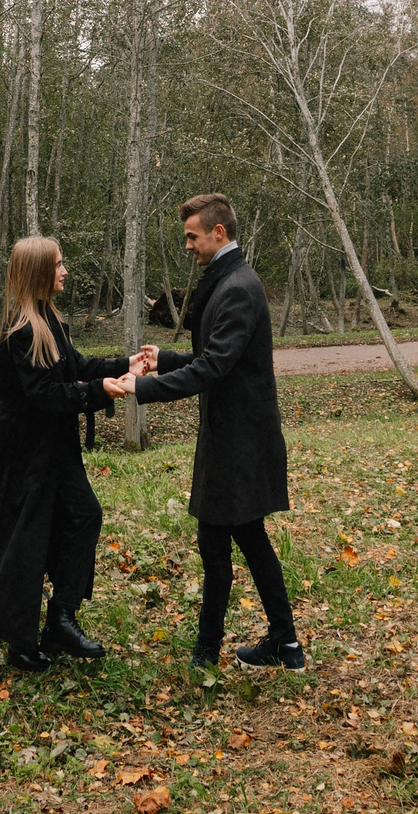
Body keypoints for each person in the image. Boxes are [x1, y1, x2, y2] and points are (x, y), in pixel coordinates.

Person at [129, 193, 304, 669]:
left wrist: (142, 388)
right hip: (231, 438)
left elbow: (212, 368)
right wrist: (165, 360)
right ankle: (285, 644)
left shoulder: (238, 287)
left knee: (217, 543)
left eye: (192, 236)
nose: (187, 245)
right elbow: (216, 357)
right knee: (247, 539)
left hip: (238, 443)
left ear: (218, 232)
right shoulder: (230, 281)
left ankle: (208, 654)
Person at [0, 235, 137, 670]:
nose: (65, 271)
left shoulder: (50, 319)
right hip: (23, 453)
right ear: (38, 272)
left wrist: (126, 365)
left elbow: (75, 366)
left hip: (55, 446)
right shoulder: (21, 331)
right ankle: (20, 640)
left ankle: (62, 618)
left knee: (84, 516)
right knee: (24, 539)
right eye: (58, 264)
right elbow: (43, 394)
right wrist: (97, 392)